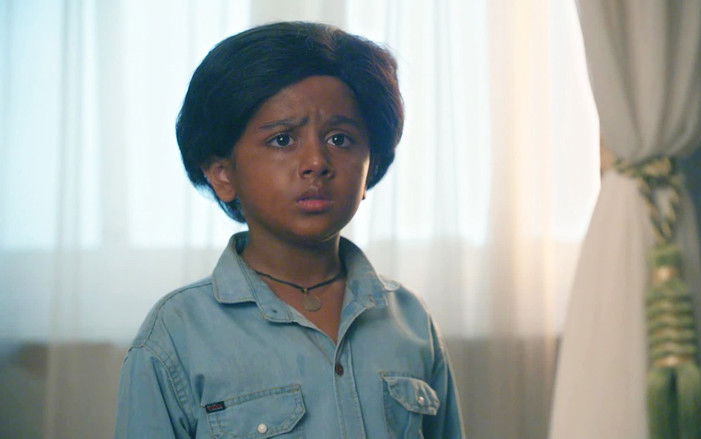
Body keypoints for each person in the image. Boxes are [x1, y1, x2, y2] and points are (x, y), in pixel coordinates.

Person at [114, 21, 464, 438]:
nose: (316, 162)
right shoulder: (177, 332)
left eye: (339, 139)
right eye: (282, 140)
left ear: (370, 167)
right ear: (223, 174)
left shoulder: (410, 320)